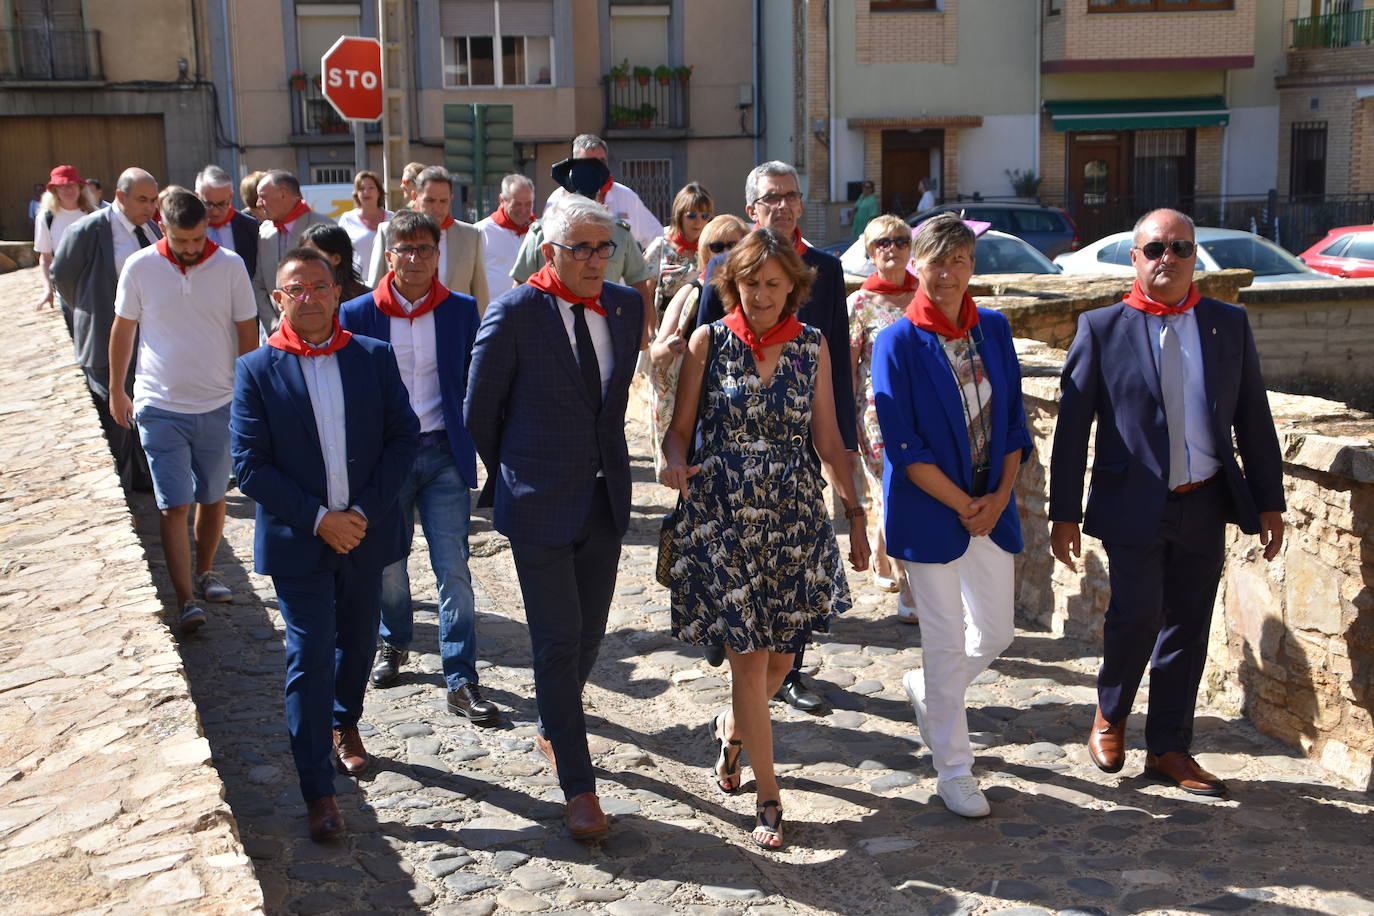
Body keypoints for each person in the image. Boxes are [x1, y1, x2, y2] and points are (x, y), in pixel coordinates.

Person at [1049, 208, 1286, 797]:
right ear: (1135, 257)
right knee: (1135, 615)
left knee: (1187, 624)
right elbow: (1072, 429)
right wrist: (1063, 511)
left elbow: (1253, 419)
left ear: (1194, 257)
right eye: (1156, 249)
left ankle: (1170, 749)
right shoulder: (1102, 328)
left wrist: (1268, 501)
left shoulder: (1227, 324)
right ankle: (1110, 713)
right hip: (1132, 502)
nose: (1168, 260)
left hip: (1204, 501)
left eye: (1181, 249)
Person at [661, 228, 869, 850]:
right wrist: (672, 463)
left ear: (794, 288)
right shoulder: (709, 340)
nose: (760, 295)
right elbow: (680, 431)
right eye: (749, 284)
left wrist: (855, 515)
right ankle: (769, 797)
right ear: (733, 284)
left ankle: (731, 735)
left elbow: (831, 442)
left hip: (793, 518)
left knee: (779, 660)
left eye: (773, 285)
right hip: (723, 515)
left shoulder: (813, 347)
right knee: (748, 659)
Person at [465, 196, 643, 842]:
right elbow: (479, 411)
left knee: (590, 634)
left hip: (604, 500)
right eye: (582, 249)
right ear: (550, 253)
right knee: (557, 639)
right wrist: (519, 470)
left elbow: (613, 401)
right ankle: (579, 785)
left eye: (605, 248)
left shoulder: (626, 308)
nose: (597, 260)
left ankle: (552, 717)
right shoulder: (514, 313)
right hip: (538, 503)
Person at [231, 247, 419, 842]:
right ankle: (318, 789)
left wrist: (360, 513)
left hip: (365, 533)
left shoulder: (372, 357)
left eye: (319, 285)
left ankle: (345, 722)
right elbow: (249, 465)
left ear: (338, 291)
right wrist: (320, 520)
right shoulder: (257, 369)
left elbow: (403, 438)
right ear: (277, 298)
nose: (308, 296)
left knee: (359, 643)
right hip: (300, 541)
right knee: (309, 654)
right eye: (296, 289)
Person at [871, 213, 1032, 819]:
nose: (947, 273)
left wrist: (995, 498)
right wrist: (962, 503)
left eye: (959, 260)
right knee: (942, 642)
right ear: (917, 264)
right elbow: (902, 442)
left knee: (996, 633)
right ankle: (955, 770)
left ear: (972, 266)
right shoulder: (896, 341)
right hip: (927, 509)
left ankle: (929, 694)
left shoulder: (994, 328)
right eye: (936, 261)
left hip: (992, 505)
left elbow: (1015, 421)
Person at [694, 160, 857, 711]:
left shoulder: (826, 271)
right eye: (772, 198)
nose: (783, 205)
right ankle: (743, 667)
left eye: (791, 196)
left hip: (796, 461)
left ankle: (785, 677)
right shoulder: (724, 266)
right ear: (752, 208)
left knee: (793, 574)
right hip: (728, 470)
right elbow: (703, 355)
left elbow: (836, 360)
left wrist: (845, 447)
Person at [339, 211, 494, 726]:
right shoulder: (358, 313)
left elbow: (477, 376)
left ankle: (461, 677)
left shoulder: (460, 310)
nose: (414, 258)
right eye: (404, 249)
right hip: (386, 458)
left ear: (438, 255)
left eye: (424, 249)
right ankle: (395, 640)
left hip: (444, 453)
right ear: (388, 256)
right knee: (388, 564)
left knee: (453, 567)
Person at [107, 187, 259, 633]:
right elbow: (123, 329)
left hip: (219, 403)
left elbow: (246, 333)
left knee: (213, 498)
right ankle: (186, 601)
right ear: (162, 226)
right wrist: (118, 389)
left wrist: (247, 396)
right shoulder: (140, 267)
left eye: (197, 240)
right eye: (181, 241)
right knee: (174, 504)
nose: (191, 249)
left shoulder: (230, 267)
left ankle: (206, 571)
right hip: (159, 405)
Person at [51, 167, 162, 492]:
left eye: (154, 199)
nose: (150, 206)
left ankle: (145, 483)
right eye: (143, 199)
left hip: (147, 343)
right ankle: (126, 490)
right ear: (121, 196)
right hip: (103, 341)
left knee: (144, 415)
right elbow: (64, 277)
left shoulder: (153, 228)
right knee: (114, 422)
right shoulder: (89, 230)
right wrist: (94, 311)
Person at [848, 214, 919, 620]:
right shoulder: (858, 304)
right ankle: (909, 589)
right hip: (877, 413)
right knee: (892, 494)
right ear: (870, 251)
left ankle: (882, 556)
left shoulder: (925, 294)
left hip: (924, 411)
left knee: (900, 493)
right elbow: (848, 367)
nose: (891, 249)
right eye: (881, 243)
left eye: (900, 241)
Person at [511, 158, 654, 345]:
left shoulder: (618, 233)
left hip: (606, 330)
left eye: (602, 248)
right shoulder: (542, 232)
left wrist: (643, 336)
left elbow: (640, 285)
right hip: (550, 330)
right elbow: (521, 287)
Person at [648, 214, 747, 473]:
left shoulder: (756, 294)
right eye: (717, 247)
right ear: (704, 251)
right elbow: (655, 354)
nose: (725, 253)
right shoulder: (692, 291)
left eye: (734, 245)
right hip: (699, 405)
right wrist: (669, 348)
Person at [367, 166, 489, 314]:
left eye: (443, 201)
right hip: (400, 323)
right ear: (414, 197)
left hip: (454, 329)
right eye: (430, 200)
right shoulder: (388, 232)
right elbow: (374, 289)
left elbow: (480, 293)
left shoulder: (471, 235)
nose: (437, 208)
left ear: (451, 199)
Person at [252, 170, 336, 332]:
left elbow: (335, 282)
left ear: (283, 194)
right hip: (274, 334)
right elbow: (259, 284)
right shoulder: (265, 230)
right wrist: (273, 326)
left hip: (316, 331)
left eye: (263, 196)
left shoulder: (323, 227)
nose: (258, 204)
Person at [545, 134, 661, 251]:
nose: (597, 168)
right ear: (575, 166)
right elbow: (547, 245)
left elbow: (657, 236)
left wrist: (645, 264)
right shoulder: (558, 200)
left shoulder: (626, 196)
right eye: (589, 163)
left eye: (601, 161)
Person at [643, 182, 713, 334]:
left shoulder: (713, 248)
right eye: (692, 215)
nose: (699, 222)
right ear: (679, 215)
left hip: (701, 329)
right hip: (665, 331)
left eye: (705, 216)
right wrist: (650, 332)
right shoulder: (661, 246)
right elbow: (645, 294)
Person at [33, 165, 99, 316]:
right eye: (62, 186)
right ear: (55, 191)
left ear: (80, 187)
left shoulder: (94, 214)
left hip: (95, 280)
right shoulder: (46, 218)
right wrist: (48, 289)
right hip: (65, 284)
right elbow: (46, 258)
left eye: (72, 185)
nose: (68, 190)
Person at [474, 173, 535, 304]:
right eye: (517, 204)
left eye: (528, 204)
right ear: (502, 200)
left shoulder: (539, 232)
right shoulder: (481, 231)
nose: (523, 210)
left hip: (531, 314)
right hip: (492, 313)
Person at [196, 164, 260, 282]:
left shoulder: (249, 226)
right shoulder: (189, 227)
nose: (215, 212)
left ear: (231, 197)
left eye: (221, 204)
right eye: (208, 204)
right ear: (197, 196)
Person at [337, 170, 391, 278]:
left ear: (379, 191)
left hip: (388, 281)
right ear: (356, 193)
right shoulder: (347, 219)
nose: (366, 192)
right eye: (361, 189)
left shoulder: (392, 218)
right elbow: (339, 251)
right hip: (358, 282)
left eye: (371, 187)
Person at [301, 222, 370, 302]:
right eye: (302, 254)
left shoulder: (365, 299)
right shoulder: (296, 293)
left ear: (336, 259)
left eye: (312, 254)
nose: (304, 260)